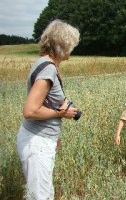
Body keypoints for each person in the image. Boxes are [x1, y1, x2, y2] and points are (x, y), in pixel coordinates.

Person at [16, 19, 80, 200]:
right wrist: (62, 113)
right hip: (37, 143)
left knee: (41, 193)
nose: (72, 49)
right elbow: (30, 110)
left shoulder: (44, 63)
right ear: (62, 45)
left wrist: (55, 135)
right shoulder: (48, 70)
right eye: (71, 45)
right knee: (40, 196)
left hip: (40, 139)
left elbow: (47, 102)